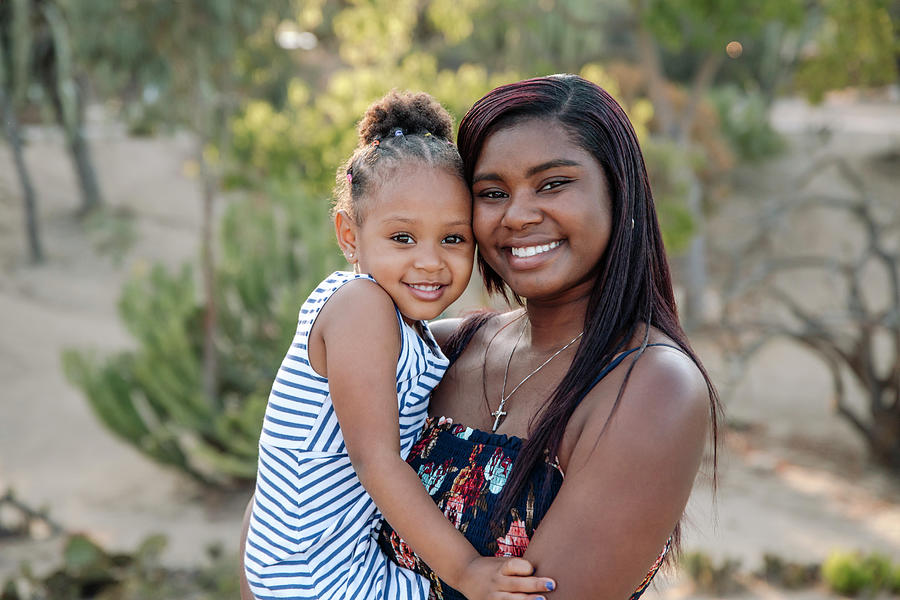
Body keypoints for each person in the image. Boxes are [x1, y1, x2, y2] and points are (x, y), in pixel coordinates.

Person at [241, 75, 718, 600]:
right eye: (492, 193)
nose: (518, 214)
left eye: (553, 183)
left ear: (618, 190)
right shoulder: (434, 348)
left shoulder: (652, 386)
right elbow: (281, 505)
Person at [243, 91, 556, 600]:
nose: (430, 262)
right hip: (319, 574)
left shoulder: (392, 318)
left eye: (453, 240)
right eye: (402, 239)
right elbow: (376, 461)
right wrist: (467, 571)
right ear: (350, 234)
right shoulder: (361, 308)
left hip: (322, 560)